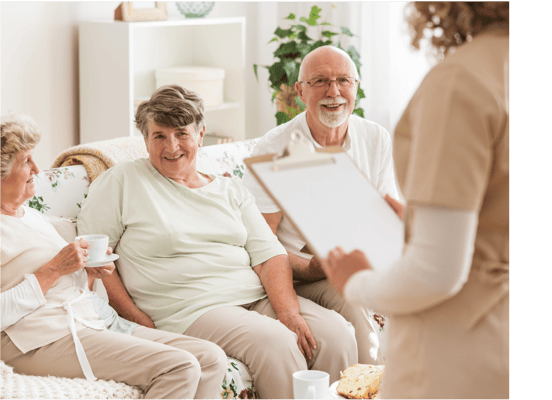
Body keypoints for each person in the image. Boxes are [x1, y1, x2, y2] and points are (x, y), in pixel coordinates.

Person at [77, 84, 357, 399]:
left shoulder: (229, 189)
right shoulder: (123, 181)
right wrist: (135, 317)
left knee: (336, 335)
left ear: (201, 134)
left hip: (253, 296)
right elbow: (95, 257)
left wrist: (289, 312)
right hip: (190, 308)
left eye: (182, 133)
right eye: (159, 136)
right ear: (145, 140)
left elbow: (269, 256)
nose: (172, 147)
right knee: (277, 343)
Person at [321, 2, 510, 398]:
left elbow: (436, 272)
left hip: (456, 350)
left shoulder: (463, 79)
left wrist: (355, 282)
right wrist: (422, 221)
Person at [0, 112, 228, 399]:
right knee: (178, 367)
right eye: (25, 162)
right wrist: (54, 270)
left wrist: (87, 273)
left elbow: (64, 289)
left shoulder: (31, 217)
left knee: (210, 357)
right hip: (34, 338)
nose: (37, 168)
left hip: (86, 319)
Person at [242, 45, 399, 364]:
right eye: (320, 81)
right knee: (353, 298)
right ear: (300, 91)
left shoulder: (376, 138)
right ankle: (370, 389)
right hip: (298, 272)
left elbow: (387, 215)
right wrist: (311, 268)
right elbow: (261, 244)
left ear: (357, 87)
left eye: (344, 80)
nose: (334, 92)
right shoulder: (275, 148)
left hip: (358, 261)